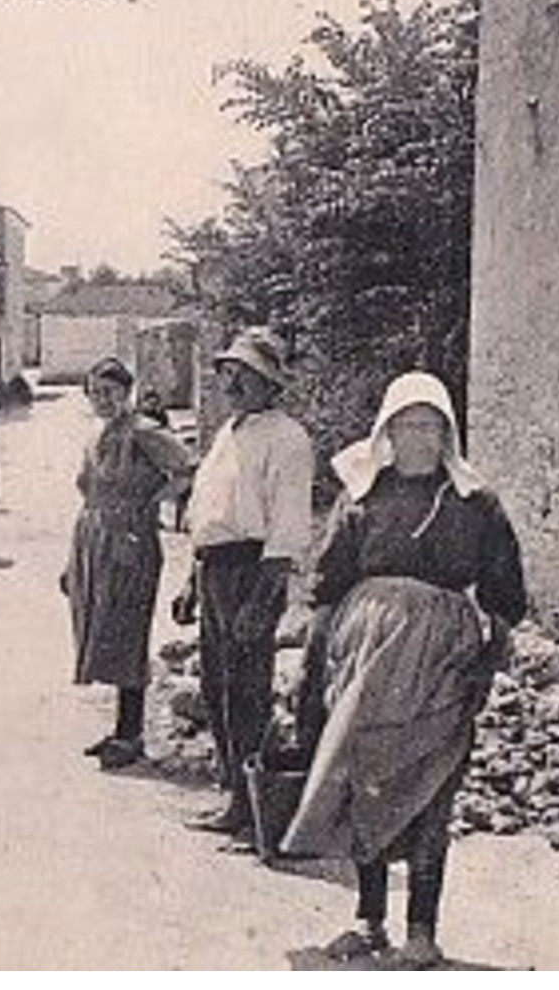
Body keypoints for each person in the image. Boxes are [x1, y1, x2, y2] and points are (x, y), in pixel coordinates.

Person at [281, 371, 526, 969]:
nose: (419, 437)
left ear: (448, 433)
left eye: (431, 425)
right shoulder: (364, 496)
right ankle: (369, 921)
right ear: (387, 431)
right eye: (408, 425)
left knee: (430, 787)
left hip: (441, 658)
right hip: (364, 659)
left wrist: (490, 653)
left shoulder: (475, 504)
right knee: (363, 777)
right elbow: (328, 585)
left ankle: (422, 929)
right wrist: (311, 663)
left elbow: (504, 593)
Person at [182, 327, 314, 844]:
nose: (233, 383)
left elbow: (287, 526)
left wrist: (262, 599)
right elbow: (208, 512)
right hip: (214, 569)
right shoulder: (227, 434)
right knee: (217, 687)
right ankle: (233, 789)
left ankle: (250, 802)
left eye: (247, 375)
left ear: (270, 384)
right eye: (228, 373)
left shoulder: (287, 439)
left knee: (246, 690)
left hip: (252, 570)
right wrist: (193, 582)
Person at [63, 356, 193, 770]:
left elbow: (188, 468)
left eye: (111, 392)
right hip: (92, 539)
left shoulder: (144, 432)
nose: (103, 400)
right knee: (101, 629)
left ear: (127, 393)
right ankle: (121, 729)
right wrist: (73, 563)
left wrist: (150, 502)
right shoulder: (97, 434)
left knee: (126, 630)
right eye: (95, 393)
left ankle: (132, 735)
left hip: (130, 543)